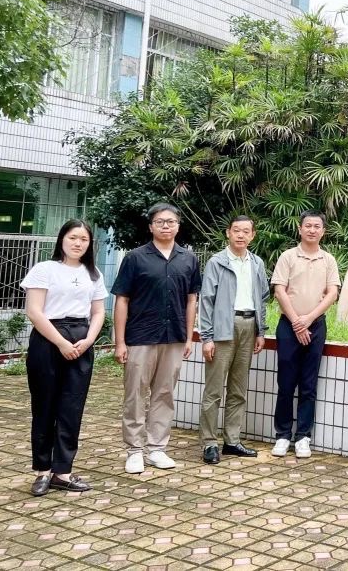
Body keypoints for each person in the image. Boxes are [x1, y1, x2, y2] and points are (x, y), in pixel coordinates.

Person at [112, 203, 200, 474]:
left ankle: (157, 448)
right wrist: (119, 341)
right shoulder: (136, 258)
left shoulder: (188, 258)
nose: (166, 225)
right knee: (135, 395)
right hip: (140, 337)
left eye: (171, 221)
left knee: (164, 394)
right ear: (151, 226)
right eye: (160, 221)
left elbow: (191, 300)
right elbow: (122, 300)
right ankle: (135, 450)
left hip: (173, 337)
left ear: (178, 225)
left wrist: (188, 338)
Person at [22, 220, 107, 496]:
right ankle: (42, 471)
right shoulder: (45, 269)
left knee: (72, 408)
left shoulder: (93, 273)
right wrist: (60, 342)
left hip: (82, 340)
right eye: (73, 237)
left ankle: (63, 471)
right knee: (44, 405)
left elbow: (98, 312)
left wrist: (88, 340)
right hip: (48, 339)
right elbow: (34, 312)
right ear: (62, 239)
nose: (78, 243)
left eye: (84, 239)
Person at [197, 216, 270, 465]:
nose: (240, 235)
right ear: (228, 233)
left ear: (253, 235)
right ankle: (209, 443)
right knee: (214, 389)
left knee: (239, 389)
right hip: (223, 329)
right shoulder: (217, 262)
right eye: (236, 230)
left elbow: (262, 298)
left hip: (249, 327)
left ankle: (232, 440)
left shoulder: (257, 263)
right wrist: (206, 337)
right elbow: (206, 300)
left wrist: (261, 331)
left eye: (246, 231)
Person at [270, 211, 341, 459]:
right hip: (288, 326)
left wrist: (308, 320)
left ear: (323, 231)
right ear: (299, 229)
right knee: (286, 383)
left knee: (309, 384)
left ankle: (303, 437)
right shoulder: (288, 257)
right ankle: (282, 435)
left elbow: (332, 293)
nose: (312, 230)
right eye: (307, 226)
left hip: (316, 325)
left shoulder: (328, 260)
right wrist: (297, 323)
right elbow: (279, 291)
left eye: (317, 226)